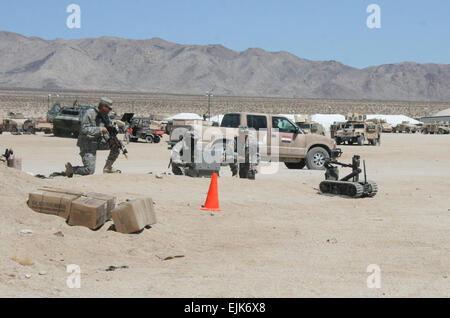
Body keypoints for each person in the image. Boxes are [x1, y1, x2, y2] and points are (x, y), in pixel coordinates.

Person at [65, 97, 120, 177]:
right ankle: (71, 169)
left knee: (116, 145)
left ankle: (108, 168)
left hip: (98, 141)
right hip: (87, 143)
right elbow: (84, 129)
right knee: (89, 170)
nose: (110, 110)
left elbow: (106, 130)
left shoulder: (105, 116)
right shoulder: (90, 113)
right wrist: (100, 129)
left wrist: (110, 139)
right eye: (109, 108)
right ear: (103, 106)